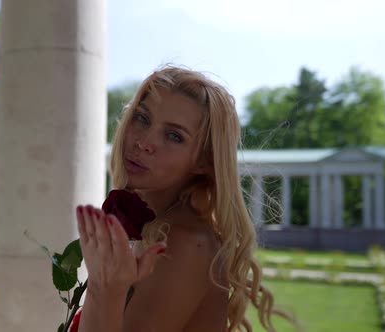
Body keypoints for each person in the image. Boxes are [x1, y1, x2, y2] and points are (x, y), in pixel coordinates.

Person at [75, 65, 295, 332]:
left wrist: (104, 289)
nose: (145, 142)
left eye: (174, 136)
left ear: (204, 161)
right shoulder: (158, 227)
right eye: (142, 118)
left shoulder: (184, 241)